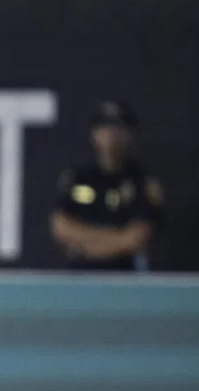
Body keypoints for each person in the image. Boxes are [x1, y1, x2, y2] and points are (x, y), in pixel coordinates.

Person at [50, 101, 165, 271]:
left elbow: (138, 237)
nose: (111, 134)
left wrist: (84, 247)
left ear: (131, 134)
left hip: (127, 275)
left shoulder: (142, 182)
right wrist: (117, 238)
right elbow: (61, 227)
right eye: (104, 127)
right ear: (93, 134)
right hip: (80, 275)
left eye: (118, 127)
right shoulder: (78, 178)